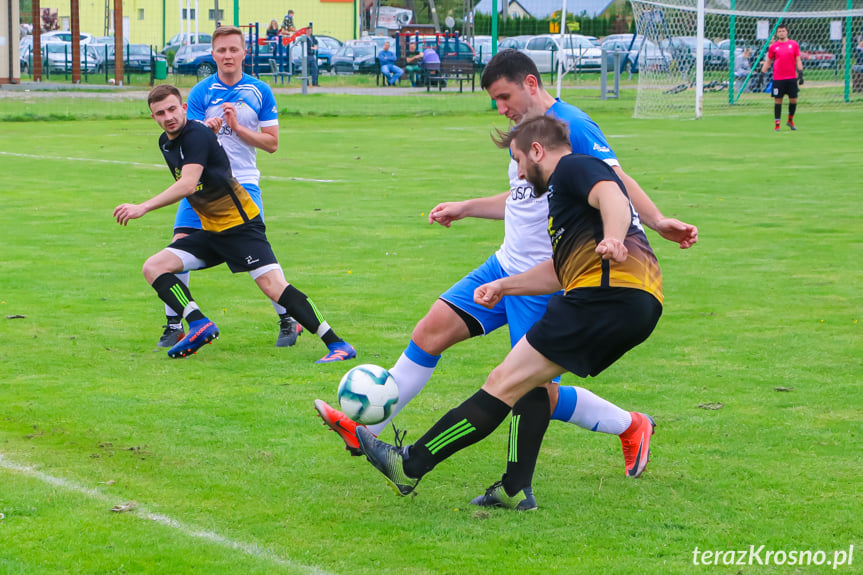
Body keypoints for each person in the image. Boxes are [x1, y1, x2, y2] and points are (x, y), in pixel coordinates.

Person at [315, 49, 697, 508]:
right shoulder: (535, 150)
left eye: (504, 96)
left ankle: (620, 429)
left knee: (521, 387)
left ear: (531, 84)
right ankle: (382, 438)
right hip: (531, 270)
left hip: (578, 282)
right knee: (441, 338)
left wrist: (644, 224)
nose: (501, 108)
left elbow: (614, 185)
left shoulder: (572, 135)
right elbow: (523, 197)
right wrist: (474, 219)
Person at [357, 114, 666, 506]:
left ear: (537, 150)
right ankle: (514, 488)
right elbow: (561, 271)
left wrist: (613, 237)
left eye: (519, 161)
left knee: (503, 383)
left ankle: (409, 465)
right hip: (633, 305)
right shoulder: (562, 199)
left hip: (605, 296)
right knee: (526, 384)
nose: (519, 174)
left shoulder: (574, 166)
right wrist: (505, 286)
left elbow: (613, 195)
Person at [114, 85, 357, 364]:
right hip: (213, 232)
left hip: (241, 227)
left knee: (274, 286)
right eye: (160, 113)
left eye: (172, 109)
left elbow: (188, 183)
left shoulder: (196, 133)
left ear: (183, 108)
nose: (167, 116)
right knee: (154, 267)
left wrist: (142, 207)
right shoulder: (167, 142)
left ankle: (337, 344)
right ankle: (199, 324)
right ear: (153, 117)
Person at [157, 25, 301, 350]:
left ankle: (288, 318)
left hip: (242, 185)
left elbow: (272, 144)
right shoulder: (199, 93)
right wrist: (203, 130)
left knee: (258, 257)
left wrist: (236, 128)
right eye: (221, 50)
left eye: (233, 49)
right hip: (202, 188)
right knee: (177, 246)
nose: (227, 56)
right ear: (213, 54)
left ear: (243, 52)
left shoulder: (259, 91)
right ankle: (175, 324)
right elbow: (185, 141)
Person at [761, 24, 803, 131]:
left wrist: (801, 73)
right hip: (778, 78)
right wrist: (762, 74)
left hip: (791, 77)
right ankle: (777, 124)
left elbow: (798, 59)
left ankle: (790, 120)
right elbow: (768, 62)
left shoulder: (793, 44)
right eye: (779, 31)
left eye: (783, 31)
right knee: (778, 100)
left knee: (793, 100)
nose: (781, 33)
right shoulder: (773, 47)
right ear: (777, 33)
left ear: (787, 32)